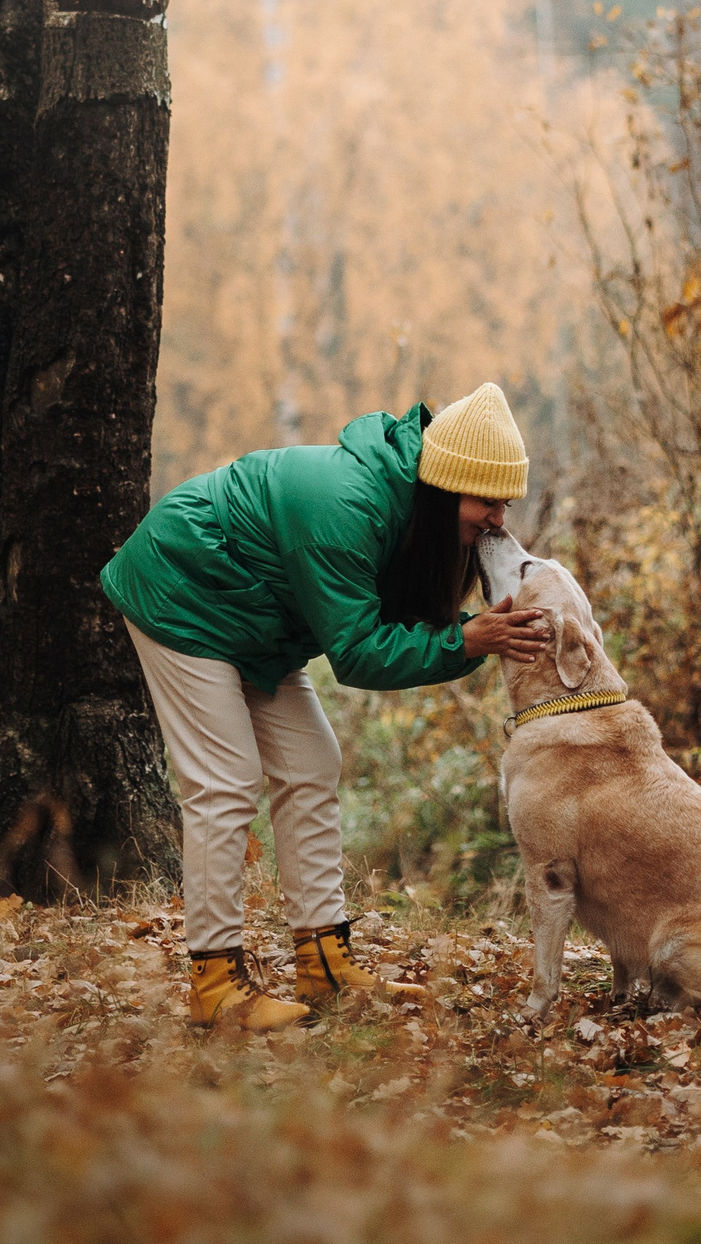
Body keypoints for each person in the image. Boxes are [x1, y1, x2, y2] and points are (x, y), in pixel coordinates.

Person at [100, 382, 553, 1031]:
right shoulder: (349, 507)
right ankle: (215, 982)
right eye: (487, 500)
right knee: (225, 783)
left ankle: (323, 963)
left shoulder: (411, 518)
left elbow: (390, 623)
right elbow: (358, 653)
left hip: (253, 616)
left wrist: (468, 631)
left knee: (312, 761)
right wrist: (465, 639)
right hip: (183, 586)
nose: (499, 517)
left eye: (504, 501)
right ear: (446, 485)